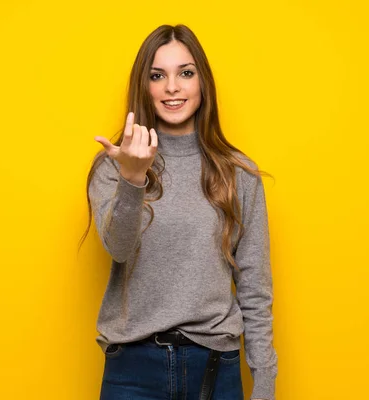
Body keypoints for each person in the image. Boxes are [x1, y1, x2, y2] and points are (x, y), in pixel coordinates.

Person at [80, 24, 278, 400]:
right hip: (132, 371)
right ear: (145, 86)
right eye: (158, 76)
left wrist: (265, 383)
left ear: (202, 83)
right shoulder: (113, 167)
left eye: (185, 73)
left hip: (215, 369)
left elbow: (255, 288)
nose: (173, 87)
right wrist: (133, 178)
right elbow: (119, 248)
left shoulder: (239, 173)